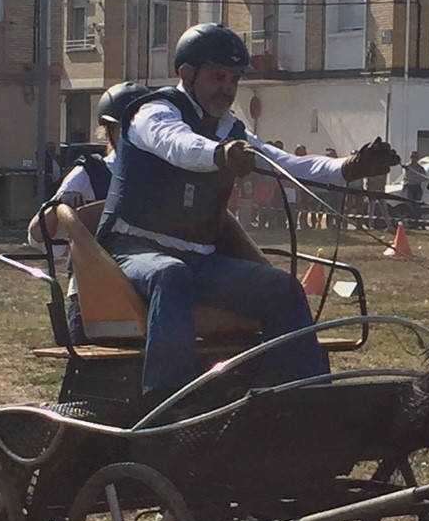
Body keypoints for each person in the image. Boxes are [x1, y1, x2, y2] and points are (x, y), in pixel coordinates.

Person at [98, 23, 396, 406]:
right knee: (169, 275)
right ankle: (167, 404)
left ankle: (306, 400)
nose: (227, 88)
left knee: (284, 290)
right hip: (132, 252)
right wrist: (218, 155)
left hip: (198, 262)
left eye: (234, 79)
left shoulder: (230, 129)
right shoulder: (153, 113)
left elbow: (286, 165)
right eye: (217, 77)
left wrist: (348, 168)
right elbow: (176, 145)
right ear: (186, 74)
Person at [28, 81, 152, 342]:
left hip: (147, 291)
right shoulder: (89, 174)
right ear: (109, 131)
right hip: (93, 297)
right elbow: (38, 236)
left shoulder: (164, 175)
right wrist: (60, 209)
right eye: (126, 129)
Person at [401, 151, 427, 228]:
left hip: (417, 188)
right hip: (410, 187)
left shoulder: (420, 168)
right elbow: (407, 178)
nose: (414, 159)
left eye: (416, 157)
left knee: (417, 206)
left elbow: (424, 178)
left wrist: (417, 179)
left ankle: (418, 222)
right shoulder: (407, 167)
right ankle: (412, 223)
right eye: (412, 157)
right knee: (410, 205)